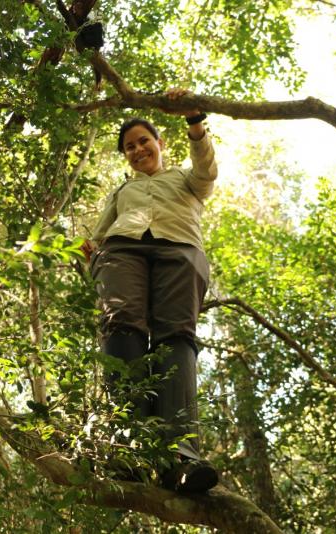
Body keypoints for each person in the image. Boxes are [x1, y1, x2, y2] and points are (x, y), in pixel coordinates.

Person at [81, 88, 219, 492]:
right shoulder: (123, 191)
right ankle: (130, 448)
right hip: (124, 251)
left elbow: (207, 170)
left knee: (175, 336)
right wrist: (84, 252)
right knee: (121, 324)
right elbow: (98, 235)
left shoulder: (186, 179)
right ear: (125, 156)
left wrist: (195, 122)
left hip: (180, 250)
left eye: (144, 141)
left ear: (160, 144)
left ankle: (181, 458)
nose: (138, 149)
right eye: (129, 147)